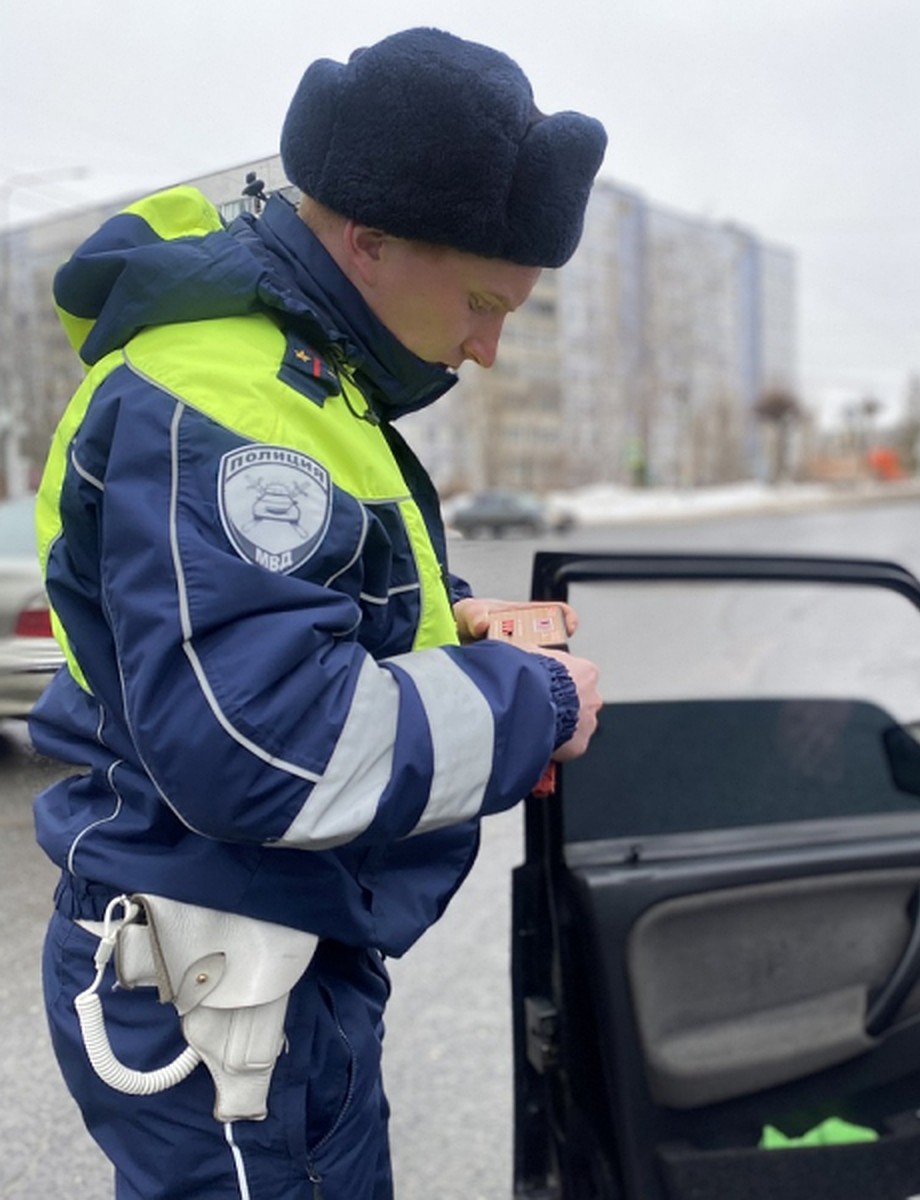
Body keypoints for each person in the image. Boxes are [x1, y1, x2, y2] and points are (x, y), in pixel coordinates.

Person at [31, 27, 605, 1199]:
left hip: (258, 960)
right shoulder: (229, 396)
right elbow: (268, 745)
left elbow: (297, 610)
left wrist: (448, 625)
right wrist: (534, 700)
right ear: (370, 239)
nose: (489, 349)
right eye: (486, 303)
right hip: (225, 985)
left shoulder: (296, 375)